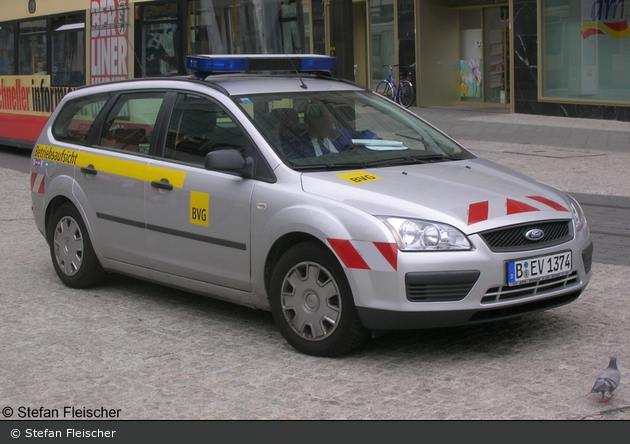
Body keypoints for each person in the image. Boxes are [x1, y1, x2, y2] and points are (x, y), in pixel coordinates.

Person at [282, 103, 377, 159]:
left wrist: (374, 142)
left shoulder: (340, 134)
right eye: (323, 125)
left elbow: (366, 135)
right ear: (307, 124)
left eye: (330, 125)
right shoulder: (296, 145)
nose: (329, 129)